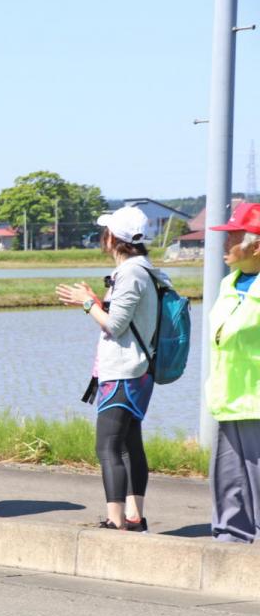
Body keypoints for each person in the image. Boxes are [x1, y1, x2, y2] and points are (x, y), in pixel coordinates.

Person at [56, 205, 172, 532]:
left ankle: (116, 520)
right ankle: (134, 518)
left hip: (123, 371)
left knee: (108, 445)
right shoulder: (143, 269)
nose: (101, 237)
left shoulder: (130, 273)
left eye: (104, 232)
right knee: (130, 444)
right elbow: (124, 318)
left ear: (112, 238)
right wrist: (97, 301)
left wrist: (86, 303)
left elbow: (115, 325)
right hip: (138, 369)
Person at [205, 202, 260, 543]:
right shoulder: (229, 284)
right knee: (228, 481)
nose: (226, 244)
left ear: (257, 246)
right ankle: (228, 542)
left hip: (255, 402)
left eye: (234, 237)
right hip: (228, 399)